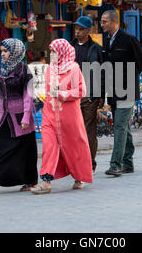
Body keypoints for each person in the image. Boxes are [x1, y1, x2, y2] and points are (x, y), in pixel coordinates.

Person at [31, 39, 93, 194]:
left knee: (75, 147)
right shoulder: (49, 69)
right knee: (49, 145)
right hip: (49, 115)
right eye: (51, 51)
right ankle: (45, 182)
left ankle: (79, 176)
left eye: (54, 51)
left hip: (70, 117)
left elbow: (81, 91)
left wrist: (61, 94)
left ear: (62, 52)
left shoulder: (73, 69)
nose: (52, 54)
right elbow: (48, 91)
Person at [0, 38, 38, 194]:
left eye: (6, 51)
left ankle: (30, 182)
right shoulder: (3, 70)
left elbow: (28, 95)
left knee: (26, 151)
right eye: (2, 51)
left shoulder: (25, 71)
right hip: (4, 116)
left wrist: (25, 117)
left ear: (15, 52)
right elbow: (1, 97)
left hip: (20, 117)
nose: (3, 54)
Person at [101, 10, 142, 177]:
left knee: (119, 126)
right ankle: (128, 162)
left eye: (104, 21)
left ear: (114, 21)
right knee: (124, 126)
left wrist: (128, 77)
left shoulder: (128, 40)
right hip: (113, 91)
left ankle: (116, 165)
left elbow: (141, 61)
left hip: (126, 89)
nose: (102, 24)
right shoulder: (107, 41)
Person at [70, 16, 104, 174]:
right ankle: (76, 161)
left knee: (88, 129)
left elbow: (101, 73)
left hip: (89, 95)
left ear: (89, 31)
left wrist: (101, 95)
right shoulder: (71, 47)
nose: (78, 32)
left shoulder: (95, 48)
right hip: (72, 95)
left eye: (81, 29)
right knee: (75, 130)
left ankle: (90, 164)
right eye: (76, 29)